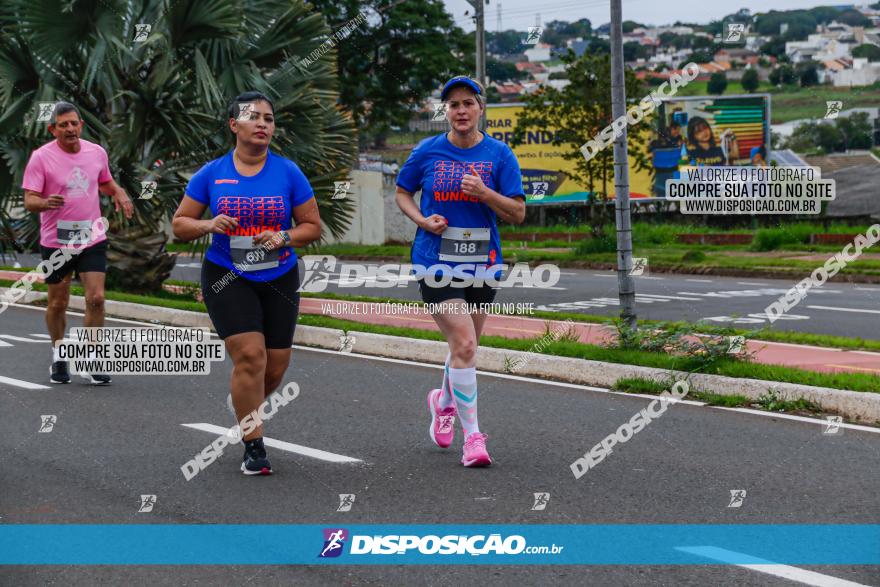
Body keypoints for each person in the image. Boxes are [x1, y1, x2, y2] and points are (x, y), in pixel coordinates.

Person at [172, 91, 321, 476]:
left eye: (268, 118)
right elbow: (180, 225)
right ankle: (254, 445)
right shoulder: (212, 173)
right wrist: (208, 223)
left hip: (279, 274)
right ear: (233, 125)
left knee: (276, 366)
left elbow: (311, 227)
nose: (262, 124)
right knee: (251, 357)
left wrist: (284, 236)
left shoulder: (288, 172)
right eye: (253, 117)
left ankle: (242, 400)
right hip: (228, 274)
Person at [395, 76, 526, 468]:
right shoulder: (427, 151)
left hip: (482, 263)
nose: (461, 111)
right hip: (435, 259)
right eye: (453, 105)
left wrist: (485, 193)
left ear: (481, 108)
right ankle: (473, 438)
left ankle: (443, 402)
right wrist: (422, 219)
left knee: (464, 348)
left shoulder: (500, 155)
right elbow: (402, 192)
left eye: (468, 103)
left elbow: (518, 213)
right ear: (446, 113)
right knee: (466, 345)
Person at [21, 101, 134, 385]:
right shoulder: (41, 157)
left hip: (91, 237)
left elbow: (105, 182)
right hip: (56, 241)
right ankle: (59, 355)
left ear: (81, 125)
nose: (70, 129)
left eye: (74, 123)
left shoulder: (96, 153)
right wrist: (46, 202)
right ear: (53, 129)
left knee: (96, 299)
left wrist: (119, 192)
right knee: (58, 302)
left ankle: (92, 357)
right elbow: (30, 200)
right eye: (63, 125)